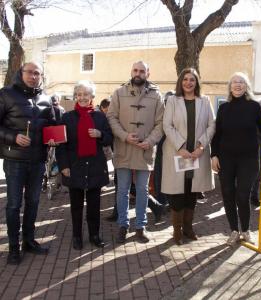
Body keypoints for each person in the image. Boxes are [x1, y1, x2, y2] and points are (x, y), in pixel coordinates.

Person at [0, 62, 58, 264]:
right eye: (30, 72)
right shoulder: (6, 94)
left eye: (37, 73)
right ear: (21, 73)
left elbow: (51, 125)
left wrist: (53, 138)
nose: (33, 76)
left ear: (41, 76)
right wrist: (12, 137)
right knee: (14, 204)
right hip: (14, 160)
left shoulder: (45, 98)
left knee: (33, 203)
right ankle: (14, 248)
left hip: (37, 160)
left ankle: (29, 241)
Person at [211, 72, 261, 246]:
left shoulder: (254, 106)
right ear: (230, 87)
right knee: (228, 194)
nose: (238, 85)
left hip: (248, 159)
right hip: (226, 159)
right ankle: (233, 230)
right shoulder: (223, 108)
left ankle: (246, 230)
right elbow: (217, 135)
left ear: (246, 86)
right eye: (234, 82)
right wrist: (214, 155)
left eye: (241, 82)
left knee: (242, 195)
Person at [107, 61, 164, 244]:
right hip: (124, 148)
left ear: (148, 73)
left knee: (142, 190)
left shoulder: (157, 95)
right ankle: (123, 225)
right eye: (135, 70)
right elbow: (111, 117)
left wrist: (150, 141)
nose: (138, 73)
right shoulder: (118, 93)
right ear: (131, 71)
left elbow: (161, 123)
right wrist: (124, 136)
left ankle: (141, 226)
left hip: (144, 149)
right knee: (122, 190)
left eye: (142, 71)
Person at [56, 81, 112, 250]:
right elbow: (61, 145)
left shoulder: (100, 117)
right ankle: (77, 236)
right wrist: (63, 165)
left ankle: (94, 235)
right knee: (76, 207)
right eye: (79, 94)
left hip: (95, 166)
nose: (82, 97)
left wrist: (99, 134)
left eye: (86, 94)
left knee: (94, 206)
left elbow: (109, 138)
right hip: (75, 166)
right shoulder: (67, 117)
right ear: (76, 96)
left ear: (91, 97)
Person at [162, 68, 215, 245]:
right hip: (179, 154)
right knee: (178, 192)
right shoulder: (172, 101)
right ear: (180, 82)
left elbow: (211, 126)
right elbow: (167, 126)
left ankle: (188, 228)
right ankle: (177, 231)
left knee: (192, 191)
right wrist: (180, 147)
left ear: (196, 82)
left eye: (192, 79)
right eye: (185, 79)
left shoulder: (205, 101)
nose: (188, 83)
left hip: (196, 155)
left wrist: (201, 146)